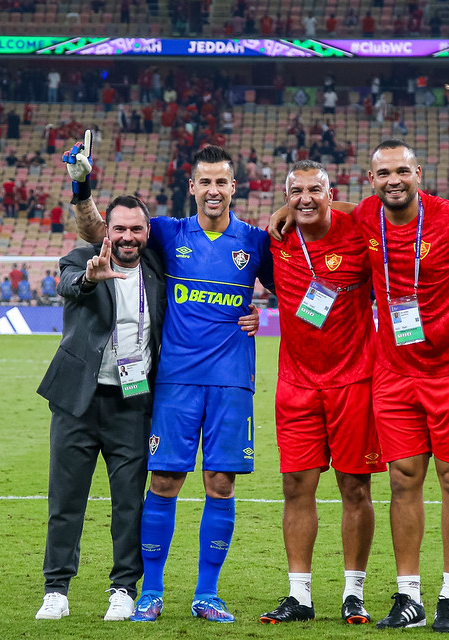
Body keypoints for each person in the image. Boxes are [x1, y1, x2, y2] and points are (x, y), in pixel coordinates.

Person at [270, 139, 449, 633]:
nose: (393, 181)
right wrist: (290, 204)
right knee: (403, 480)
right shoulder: (366, 216)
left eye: (402, 171)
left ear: (419, 172)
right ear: (372, 180)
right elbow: (324, 203)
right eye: (383, 174)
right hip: (394, 370)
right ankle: (410, 598)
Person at [70, 136, 272, 624]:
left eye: (221, 181)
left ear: (233, 186)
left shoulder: (256, 241)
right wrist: (82, 187)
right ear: (192, 186)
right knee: (164, 480)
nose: (213, 190)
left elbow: (296, 286)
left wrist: (262, 312)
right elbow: (98, 230)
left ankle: (207, 593)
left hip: (231, 382)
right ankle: (152, 591)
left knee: (220, 481)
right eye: (205, 182)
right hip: (175, 380)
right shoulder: (167, 232)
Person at [259, 161, 385, 625]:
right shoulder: (273, 238)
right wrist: (286, 209)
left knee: (355, 487)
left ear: (331, 193)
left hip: (354, 380)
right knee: (296, 487)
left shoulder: (358, 231)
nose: (306, 198)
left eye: (316, 190)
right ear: (286, 194)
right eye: (296, 191)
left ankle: (354, 592)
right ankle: (300, 596)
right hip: (295, 385)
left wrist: (297, 206)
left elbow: (384, 213)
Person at [35, 195, 166, 622]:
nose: (128, 237)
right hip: (78, 400)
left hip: (132, 401)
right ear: (106, 231)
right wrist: (91, 278)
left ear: (147, 232)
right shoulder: (81, 258)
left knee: (130, 502)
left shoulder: (160, 269)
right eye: (120, 229)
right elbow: (69, 284)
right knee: (66, 500)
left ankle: (123, 588)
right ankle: (56, 589)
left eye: (136, 229)